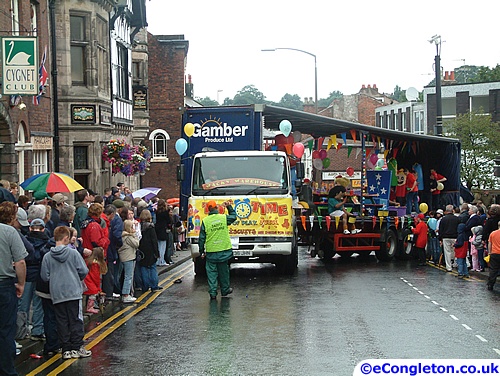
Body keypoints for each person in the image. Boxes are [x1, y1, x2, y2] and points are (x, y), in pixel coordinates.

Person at [40, 226, 91, 360]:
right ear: (66, 238)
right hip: (73, 290)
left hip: (57, 293)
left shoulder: (47, 257)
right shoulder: (73, 254)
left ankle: (66, 349)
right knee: (75, 319)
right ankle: (77, 347)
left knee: (61, 320)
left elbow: (44, 276)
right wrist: (75, 278)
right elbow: (84, 270)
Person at [0, 202, 27, 376]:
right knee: (5, 330)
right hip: (4, 285)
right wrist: (21, 284)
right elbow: (20, 262)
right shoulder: (10, 232)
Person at [199, 200, 237, 300]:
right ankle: (225, 290)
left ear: (208, 210)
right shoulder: (223, 218)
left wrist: (201, 251)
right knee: (223, 272)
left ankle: (213, 292)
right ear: (216, 208)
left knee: (211, 273)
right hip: (223, 250)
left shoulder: (205, 221)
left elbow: (202, 238)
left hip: (211, 252)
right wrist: (229, 207)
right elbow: (234, 217)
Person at [21, 218, 51, 341]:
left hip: (26, 275)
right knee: (38, 304)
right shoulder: (47, 242)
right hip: (40, 276)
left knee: (24, 305)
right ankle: (37, 330)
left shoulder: (24, 241)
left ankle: (22, 330)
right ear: (43, 228)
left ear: (30, 228)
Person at [138, 209, 162, 292]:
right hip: (150, 249)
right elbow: (154, 241)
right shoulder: (151, 227)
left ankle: (145, 286)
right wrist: (157, 252)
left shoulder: (139, 226)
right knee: (152, 267)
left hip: (141, 249)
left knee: (143, 268)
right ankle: (154, 286)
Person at [117, 220, 139, 303]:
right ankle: (126, 295)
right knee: (128, 276)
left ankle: (125, 293)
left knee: (125, 276)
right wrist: (135, 235)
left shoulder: (122, 236)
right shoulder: (128, 237)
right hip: (128, 257)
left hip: (124, 257)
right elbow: (136, 244)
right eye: (132, 226)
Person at [83, 247, 107, 314]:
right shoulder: (95, 264)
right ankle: (90, 307)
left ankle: (90, 306)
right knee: (93, 292)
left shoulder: (88, 261)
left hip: (86, 279)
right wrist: (98, 288)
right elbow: (95, 277)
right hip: (89, 281)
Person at [438, 204, 460, 272]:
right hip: (455, 237)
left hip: (446, 237)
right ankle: (455, 263)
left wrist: (440, 239)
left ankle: (448, 267)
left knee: (447, 252)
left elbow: (440, 229)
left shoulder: (443, 219)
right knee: (455, 251)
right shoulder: (457, 219)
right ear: (452, 210)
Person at [155, 199, 172, 266]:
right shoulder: (165, 212)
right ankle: (161, 261)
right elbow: (168, 221)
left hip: (157, 229)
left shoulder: (157, 212)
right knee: (163, 247)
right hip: (163, 230)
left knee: (158, 246)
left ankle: (158, 260)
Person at [487, 222, 500, 291]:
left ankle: (490, 284)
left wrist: (489, 252)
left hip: (494, 253)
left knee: (493, 270)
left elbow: (490, 244)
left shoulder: (493, 233)